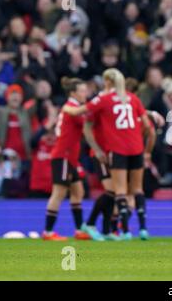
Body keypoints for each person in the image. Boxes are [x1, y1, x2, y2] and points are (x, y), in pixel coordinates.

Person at [62, 68, 155, 240]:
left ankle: (106, 230)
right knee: (114, 191)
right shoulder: (106, 99)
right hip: (105, 153)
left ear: (107, 82)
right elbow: (87, 125)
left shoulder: (106, 100)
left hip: (115, 150)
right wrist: (96, 149)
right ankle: (91, 224)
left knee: (114, 193)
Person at [42, 78, 91, 241]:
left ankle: (78, 230)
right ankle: (48, 232)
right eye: (83, 91)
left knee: (78, 192)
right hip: (62, 156)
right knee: (59, 193)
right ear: (73, 93)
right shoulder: (72, 108)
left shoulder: (73, 107)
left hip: (71, 158)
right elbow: (86, 126)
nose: (86, 94)